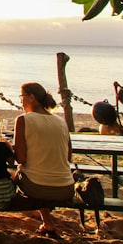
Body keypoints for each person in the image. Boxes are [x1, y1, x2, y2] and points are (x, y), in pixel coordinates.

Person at [14, 81, 74, 235]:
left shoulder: (23, 120)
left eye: (22, 96)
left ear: (31, 97)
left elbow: (20, 158)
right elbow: (68, 157)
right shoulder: (61, 122)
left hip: (37, 187)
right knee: (40, 169)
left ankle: (46, 221)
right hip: (66, 187)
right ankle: (48, 222)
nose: (21, 100)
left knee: (17, 174)